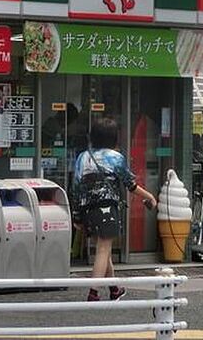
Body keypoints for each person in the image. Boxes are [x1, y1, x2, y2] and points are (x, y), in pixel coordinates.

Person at [71, 117, 156, 301]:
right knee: (103, 250)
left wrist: (76, 216)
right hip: (107, 207)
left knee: (104, 248)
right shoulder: (116, 158)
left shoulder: (83, 157)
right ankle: (93, 293)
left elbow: (76, 187)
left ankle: (114, 289)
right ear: (114, 137)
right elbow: (131, 185)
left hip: (87, 208)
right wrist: (149, 196)